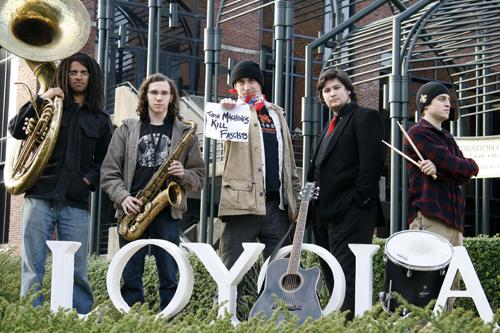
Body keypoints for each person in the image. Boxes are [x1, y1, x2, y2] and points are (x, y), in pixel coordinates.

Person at [8, 52, 112, 314]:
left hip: (75, 202)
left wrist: (86, 181)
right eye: (73, 72)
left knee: (77, 267)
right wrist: (42, 97)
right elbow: (16, 129)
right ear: (65, 75)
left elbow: (104, 161)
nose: (78, 77)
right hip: (39, 194)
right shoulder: (48, 105)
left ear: (92, 77)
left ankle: (79, 317)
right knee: (33, 265)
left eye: (83, 73)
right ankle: (32, 319)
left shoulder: (100, 119)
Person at [100, 73, 204, 310]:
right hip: (132, 208)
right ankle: (132, 315)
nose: (159, 97)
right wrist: (123, 197)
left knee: (169, 271)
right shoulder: (127, 129)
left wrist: (184, 173)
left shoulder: (185, 133)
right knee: (130, 272)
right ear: (145, 96)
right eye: (154, 92)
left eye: (164, 93)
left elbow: (199, 177)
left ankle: (170, 315)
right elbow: (108, 171)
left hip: (167, 209)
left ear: (171, 98)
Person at [308, 68, 384, 319]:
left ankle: (349, 323)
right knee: (332, 273)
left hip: (351, 212)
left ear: (348, 90)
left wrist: (355, 202)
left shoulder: (365, 117)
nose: (332, 93)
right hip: (323, 213)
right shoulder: (330, 125)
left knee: (347, 274)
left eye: (336, 88)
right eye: (326, 90)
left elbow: (371, 166)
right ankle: (341, 320)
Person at [217, 60, 301, 270]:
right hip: (242, 206)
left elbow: (288, 162)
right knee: (231, 270)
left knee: (280, 273)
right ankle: (226, 305)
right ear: (234, 87)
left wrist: (295, 201)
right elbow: (223, 143)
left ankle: (274, 305)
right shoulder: (232, 112)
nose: (246, 87)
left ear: (260, 84)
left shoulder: (277, 114)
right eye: (241, 82)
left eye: (251, 81)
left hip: (277, 207)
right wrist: (226, 111)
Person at [404, 82, 478, 249]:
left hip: (454, 219)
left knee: (453, 275)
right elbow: (452, 164)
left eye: (449, 100)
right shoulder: (417, 133)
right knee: (429, 274)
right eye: (442, 99)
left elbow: (465, 173)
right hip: (431, 216)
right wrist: (461, 167)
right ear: (426, 104)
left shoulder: (447, 137)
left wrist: (440, 169)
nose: (448, 104)